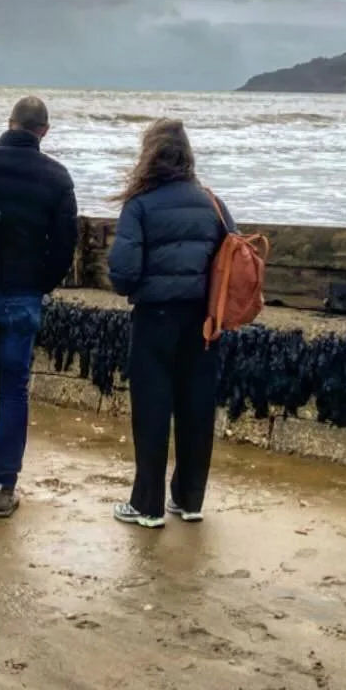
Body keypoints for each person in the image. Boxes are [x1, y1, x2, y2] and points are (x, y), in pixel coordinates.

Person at [0, 96, 78, 519]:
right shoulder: (57, 177)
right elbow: (64, 247)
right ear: (44, 131)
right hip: (22, 295)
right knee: (14, 392)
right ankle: (5, 488)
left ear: (9, 122)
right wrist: (40, 284)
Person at [105, 119, 236, 529]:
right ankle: (190, 499)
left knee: (152, 408)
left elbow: (123, 272)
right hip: (204, 320)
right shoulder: (211, 202)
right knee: (197, 406)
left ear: (149, 155)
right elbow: (230, 259)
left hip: (155, 318)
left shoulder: (140, 204)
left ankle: (147, 506)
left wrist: (142, 284)